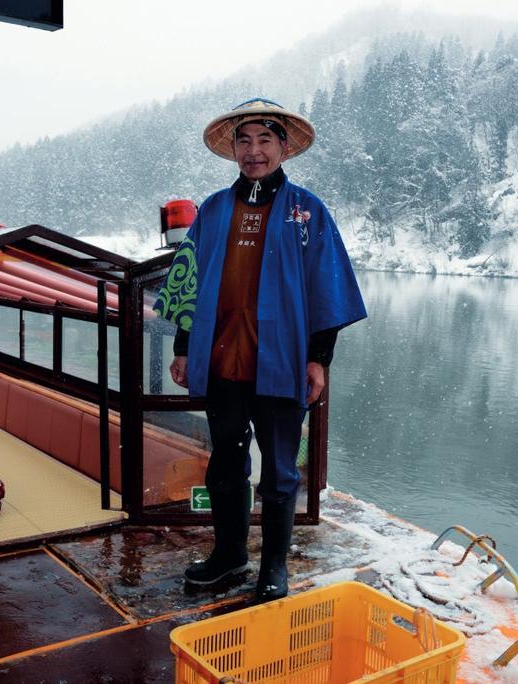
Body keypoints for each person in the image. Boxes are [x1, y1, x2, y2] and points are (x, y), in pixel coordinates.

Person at [153, 97, 366, 602]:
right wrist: (184, 347)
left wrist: (320, 358)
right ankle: (229, 555)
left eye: (264, 140)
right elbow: (189, 285)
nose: (254, 151)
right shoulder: (213, 210)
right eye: (244, 141)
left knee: (280, 468)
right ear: (232, 149)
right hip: (222, 358)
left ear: (284, 147)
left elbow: (325, 288)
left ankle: (274, 566)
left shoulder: (307, 211)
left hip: (282, 360)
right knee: (225, 461)